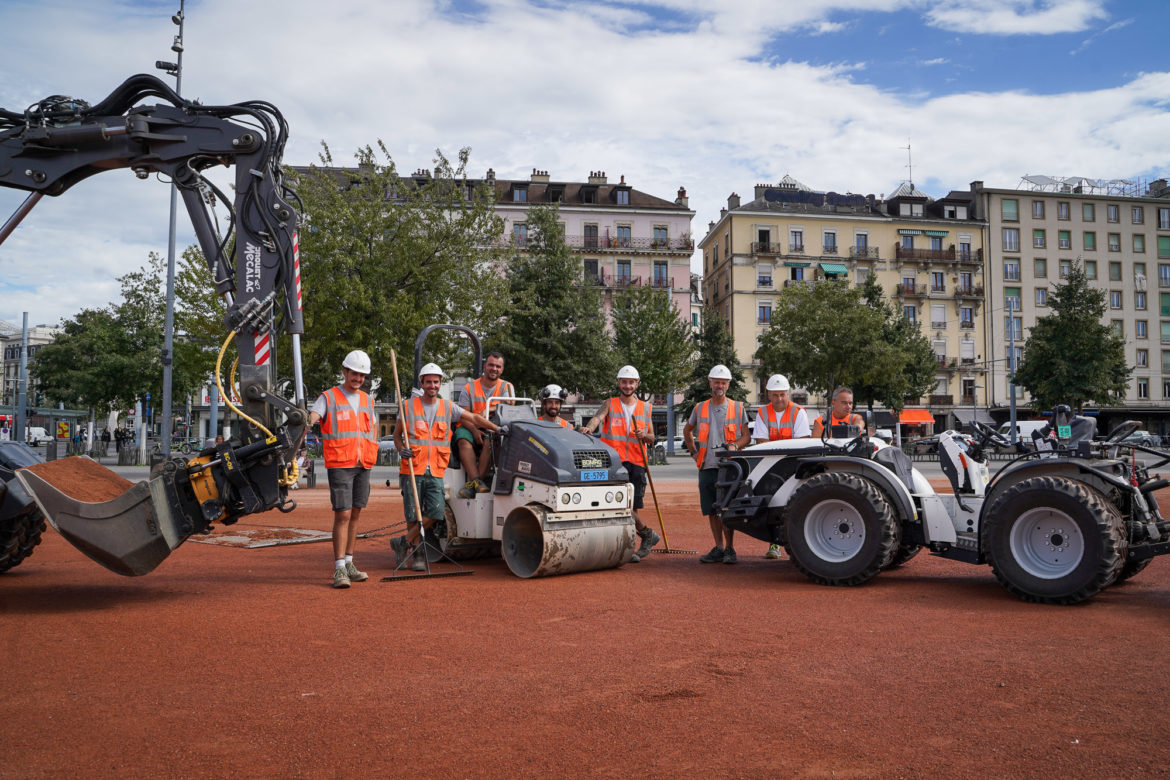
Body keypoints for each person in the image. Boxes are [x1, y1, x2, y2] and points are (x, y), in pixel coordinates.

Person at [390, 363, 500, 571]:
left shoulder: (448, 407)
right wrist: (401, 448)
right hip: (413, 468)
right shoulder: (407, 406)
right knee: (413, 515)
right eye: (428, 381)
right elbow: (397, 436)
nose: (432, 385)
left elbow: (475, 418)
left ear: (440, 384)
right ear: (422, 383)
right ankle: (418, 555)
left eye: (436, 382)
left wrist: (497, 428)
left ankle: (403, 542)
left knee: (436, 511)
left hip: (436, 469)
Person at [308, 349, 378, 589]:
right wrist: (307, 421)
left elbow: (371, 431)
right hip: (340, 463)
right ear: (345, 372)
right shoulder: (329, 397)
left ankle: (349, 562)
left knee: (356, 513)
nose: (358, 379)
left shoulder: (369, 400)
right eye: (354, 374)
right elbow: (314, 417)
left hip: (363, 463)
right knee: (343, 514)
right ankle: (339, 568)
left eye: (362, 375)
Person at [579, 365, 660, 562]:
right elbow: (597, 418)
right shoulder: (610, 403)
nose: (627, 385)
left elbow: (652, 437)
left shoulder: (645, 408)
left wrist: (645, 435)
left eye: (631, 382)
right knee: (619, 503)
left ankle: (639, 540)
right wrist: (588, 428)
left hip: (637, 462)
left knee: (632, 507)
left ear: (636, 384)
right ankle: (645, 536)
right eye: (624, 382)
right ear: (619, 383)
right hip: (613, 462)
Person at [683, 364, 751, 564]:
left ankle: (730, 548)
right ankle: (719, 548)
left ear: (728, 385)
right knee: (711, 510)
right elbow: (688, 431)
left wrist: (734, 446)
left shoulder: (738, 408)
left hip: (729, 468)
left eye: (723, 382)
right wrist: (694, 453)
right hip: (707, 466)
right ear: (710, 382)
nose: (719, 385)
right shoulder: (700, 407)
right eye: (716, 381)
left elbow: (746, 436)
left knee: (727, 509)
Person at [752, 373, 810, 559]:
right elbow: (761, 441)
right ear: (768, 395)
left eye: (782, 394)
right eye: (775, 395)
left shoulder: (798, 412)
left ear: (788, 394)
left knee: (796, 506)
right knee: (773, 506)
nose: (779, 399)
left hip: (793, 466)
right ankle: (775, 545)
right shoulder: (762, 413)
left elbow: (802, 442)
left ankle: (799, 547)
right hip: (771, 466)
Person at [456, 352, 515, 498]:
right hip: (470, 425)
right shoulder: (469, 388)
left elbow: (510, 405)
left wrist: (489, 409)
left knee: (491, 442)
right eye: (491, 365)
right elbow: (462, 415)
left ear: (502, 369)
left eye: (498, 366)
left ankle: (475, 483)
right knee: (463, 440)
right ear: (485, 366)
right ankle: (477, 481)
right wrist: (474, 430)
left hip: (493, 427)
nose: (494, 368)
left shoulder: (506, 387)